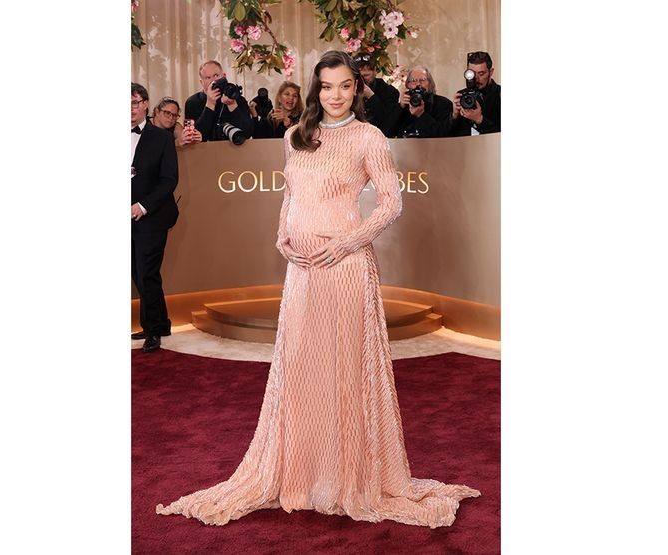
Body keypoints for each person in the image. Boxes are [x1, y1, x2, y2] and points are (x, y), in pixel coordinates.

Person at [156, 51, 480, 528]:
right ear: (316, 90)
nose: (335, 95)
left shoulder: (368, 137)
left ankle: (345, 474)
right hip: (302, 268)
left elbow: (391, 204)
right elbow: (291, 194)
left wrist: (346, 244)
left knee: (344, 365)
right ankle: (304, 472)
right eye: (327, 87)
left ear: (356, 88)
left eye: (345, 86)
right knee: (302, 364)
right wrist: (281, 235)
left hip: (346, 266)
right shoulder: (295, 136)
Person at [131, 83, 179, 352]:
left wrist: (143, 206)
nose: (130, 109)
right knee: (137, 273)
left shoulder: (161, 138)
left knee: (146, 272)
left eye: (135, 102)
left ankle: (152, 330)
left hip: (152, 216)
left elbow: (169, 180)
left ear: (147, 104)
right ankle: (160, 322)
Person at [184, 60, 255, 142]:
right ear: (202, 82)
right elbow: (193, 137)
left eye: (216, 75)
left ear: (224, 77)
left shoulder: (238, 99)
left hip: (235, 152)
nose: (213, 81)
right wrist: (210, 104)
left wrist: (232, 105)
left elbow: (247, 133)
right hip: (204, 152)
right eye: (208, 78)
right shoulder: (192, 102)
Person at [383, 65, 453, 138]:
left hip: (433, 148)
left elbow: (443, 134)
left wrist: (421, 115)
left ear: (430, 83)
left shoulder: (443, 104)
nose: (418, 84)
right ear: (408, 85)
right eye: (413, 81)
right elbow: (386, 133)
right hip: (405, 148)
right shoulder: (403, 105)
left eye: (422, 80)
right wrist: (400, 107)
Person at [450, 50, 501, 135]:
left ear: (491, 72)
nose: (476, 79)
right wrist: (454, 116)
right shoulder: (462, 96)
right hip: (466, 147)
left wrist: (479, 119)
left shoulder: (500, 95)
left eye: (481, 74)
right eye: (472, 74)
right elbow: (450, 134)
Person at [354, 52, 400, 134]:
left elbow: (390, 123)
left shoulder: (389, 91)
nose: (363, 74)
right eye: (360, 71)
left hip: (380, 136)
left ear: (375, 71)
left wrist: (371, 96)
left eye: (368, 70)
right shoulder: (348, 90)